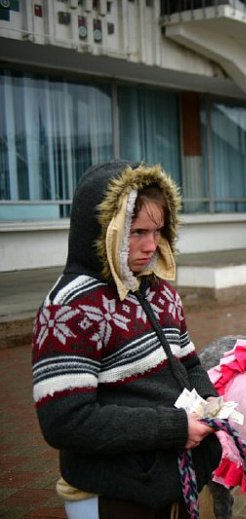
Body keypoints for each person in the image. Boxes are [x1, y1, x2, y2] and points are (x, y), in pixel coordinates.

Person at [31, 160, 222, 518]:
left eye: (158, 231)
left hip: (181, 484)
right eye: (137, 232)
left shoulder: (160, 292)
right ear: (104, 229)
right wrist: (174, 428)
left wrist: (210, 400)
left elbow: (190, 363)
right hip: (115, 496)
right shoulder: (69, 308)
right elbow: (66, 421)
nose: (151, 246)